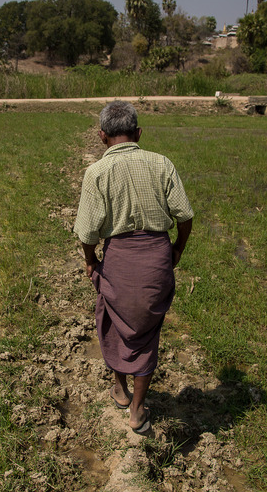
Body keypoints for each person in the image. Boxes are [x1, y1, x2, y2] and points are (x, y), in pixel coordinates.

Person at [74, 100, 193, 433]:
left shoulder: (96, 172)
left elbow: (87, 232)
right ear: (138, 133)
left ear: (102, 136)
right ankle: (137, 412)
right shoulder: (161, 163)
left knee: (114, 322)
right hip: (156, 258)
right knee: (146, 333)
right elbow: (184, 216)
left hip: (119, 262)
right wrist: (176, 251)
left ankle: (122, 390)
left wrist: (90, 261)